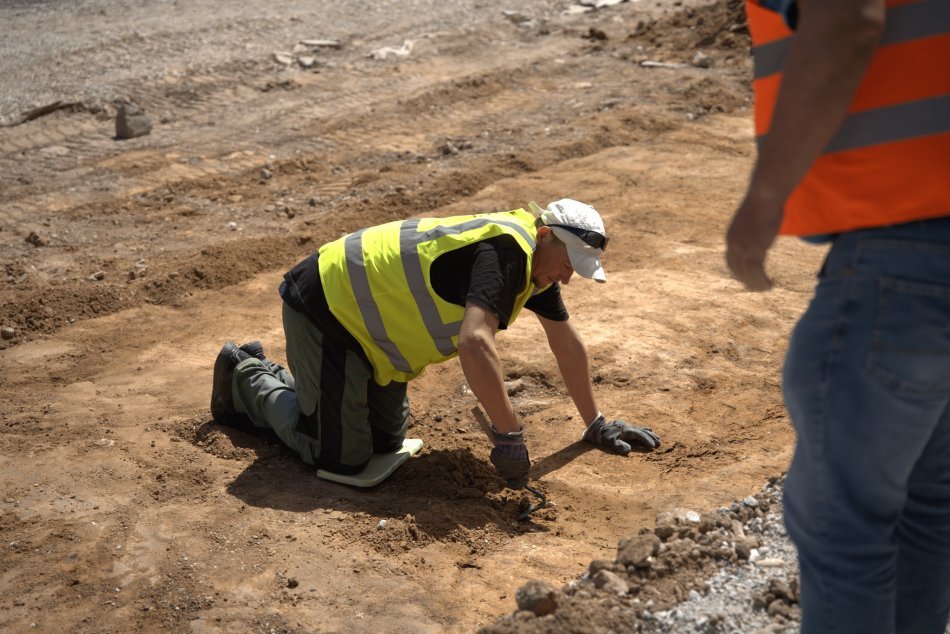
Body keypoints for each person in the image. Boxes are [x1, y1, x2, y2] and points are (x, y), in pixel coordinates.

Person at [726, 0, 949, 632]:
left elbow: (849, 17)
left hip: (904, 255)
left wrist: (765, 199)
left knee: (845, 526)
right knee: (925, 506)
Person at [211, 199, 660, 487]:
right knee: (338, 457)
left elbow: (567, 343)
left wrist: (595, 423)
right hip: (328, 307)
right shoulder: (506, 256)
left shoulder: (535, 268)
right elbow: (474, 343)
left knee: (386, 444)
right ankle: (245, 377)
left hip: (372, 338)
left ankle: (304, 387)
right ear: (545, 234)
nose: (567, 276)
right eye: (567, 263)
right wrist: (509, 435)